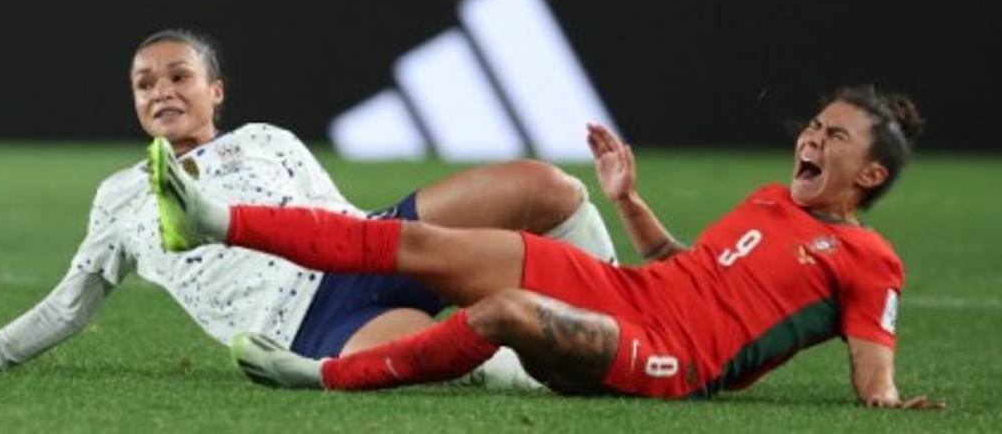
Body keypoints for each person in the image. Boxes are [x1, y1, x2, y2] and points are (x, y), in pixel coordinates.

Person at [0, 29, 617, 390]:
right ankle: (599, 365)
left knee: (545, 187)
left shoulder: (268, 138)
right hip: (308, 324)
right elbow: (64, 309)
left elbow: (338, 210)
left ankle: (625, 309)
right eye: (145, 83)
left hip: (369, 247)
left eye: (180, 76)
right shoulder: (118, 198)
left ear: (216, 93)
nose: (161, 91)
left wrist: (421, 250)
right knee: (460, 351)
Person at [153, 86, 944, 408]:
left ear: (868, 173)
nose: (810, 135)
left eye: (832, 135)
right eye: (814, 123)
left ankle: (325, 375)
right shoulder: (773, 201)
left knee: (504, 312)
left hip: (668, 360)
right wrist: (626, 202)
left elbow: (872, 370)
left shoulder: (870, 262)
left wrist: (885, 402)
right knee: (418, 240)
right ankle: (214, 220)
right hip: (632, 298)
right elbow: (687, 271)